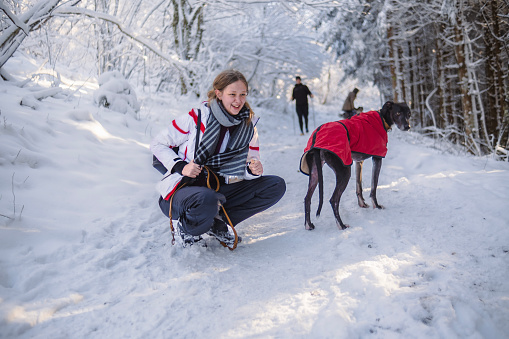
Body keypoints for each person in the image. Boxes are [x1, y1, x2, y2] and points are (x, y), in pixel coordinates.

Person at [151, 69, 286, 248]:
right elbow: (158, 143)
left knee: (275, 185)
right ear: (219, 93)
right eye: (232, 94)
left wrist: (252, 170)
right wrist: (181, 166)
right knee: (207, 199)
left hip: (219, 189)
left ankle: (219, 223)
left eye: (242, 94)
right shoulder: (196, 117)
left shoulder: (248, 127)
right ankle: (187, 228)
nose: (238, 101)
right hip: (182, 191)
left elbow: (247, 165)